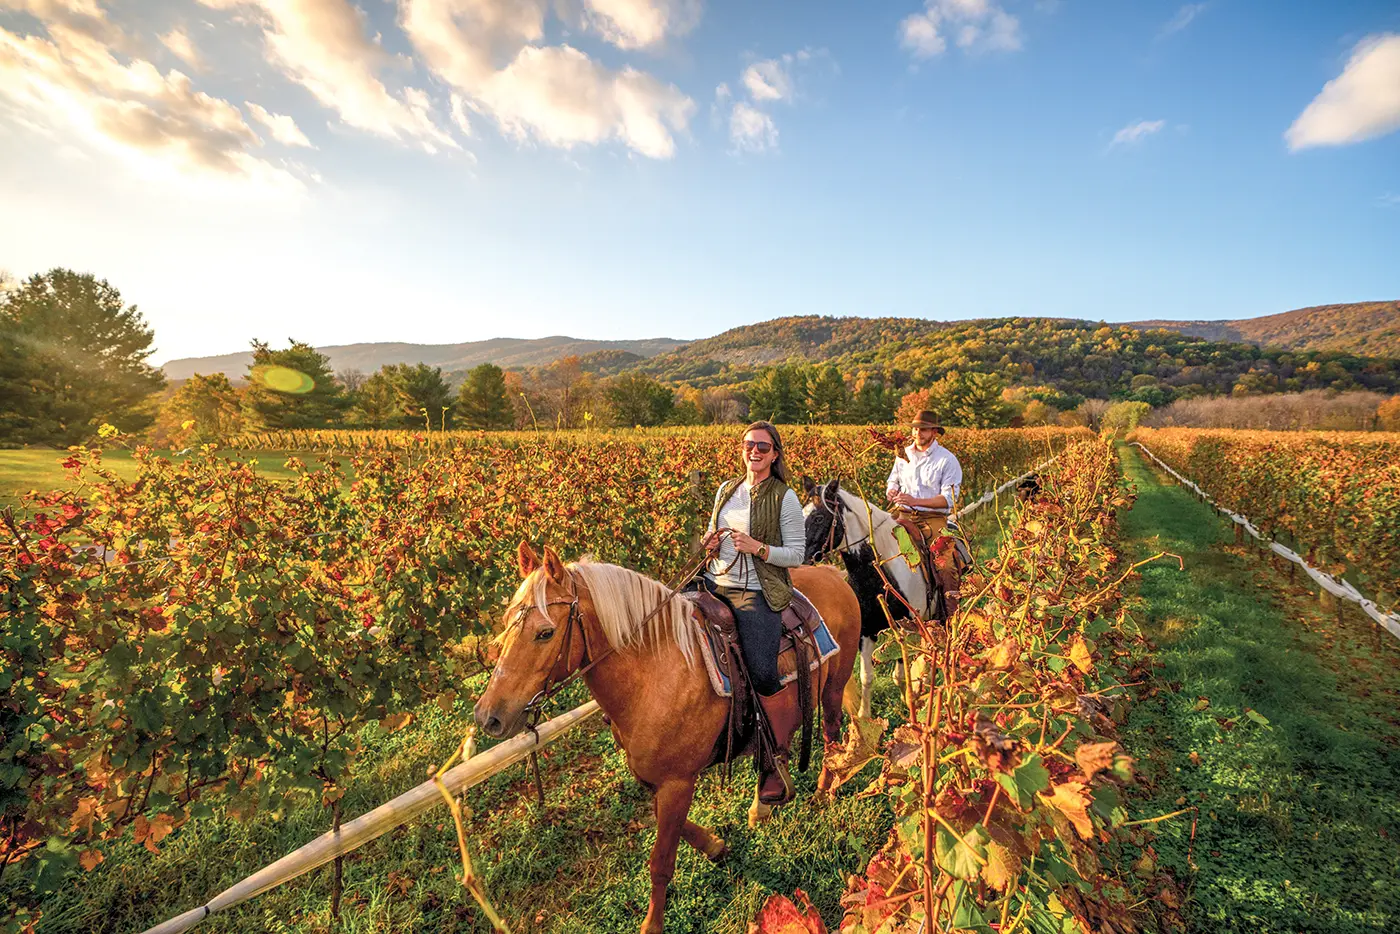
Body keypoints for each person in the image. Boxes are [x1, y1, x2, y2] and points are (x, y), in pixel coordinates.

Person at [699, 420, 807, 805]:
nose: (754, 452)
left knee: (763, 672)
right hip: (714, 582)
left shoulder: (785, 498)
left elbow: (798, 554)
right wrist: (709, 542)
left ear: (775, 454)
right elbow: (713, 532)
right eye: (749, 445)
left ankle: (774, 759)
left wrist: (758, 548)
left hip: (755, 592)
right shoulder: (726, 490)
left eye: (763, 446)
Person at [886, 410, 964, 602]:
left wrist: (915, 501)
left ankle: (951, 610)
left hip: (932, 519)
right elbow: (892, 481)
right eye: (915, 429)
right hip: (901, 514)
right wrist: (891, 491)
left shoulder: (947, 460)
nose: (918, 433)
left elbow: (948, 499)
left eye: (924, 430)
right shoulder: (902, 456)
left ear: (935, 432)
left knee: (945, 565)